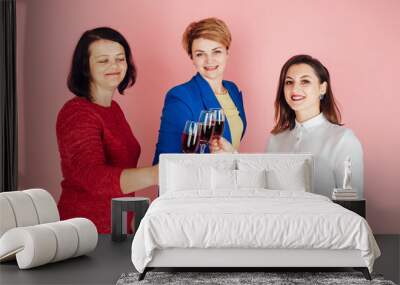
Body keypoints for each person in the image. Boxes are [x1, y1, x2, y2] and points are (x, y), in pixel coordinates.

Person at [211, 55, 363, 198]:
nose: (295, 89)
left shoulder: (343, 140)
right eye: (289, 82)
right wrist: (232, 155)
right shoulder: (275, 139)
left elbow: (352, 206)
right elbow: (263, 188)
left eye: (305, 81)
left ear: (322, 88)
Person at [56, 27, 158, 233]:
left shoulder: (114, 109)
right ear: (85, 67)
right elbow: (92, 177)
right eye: (103, 60)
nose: (114, 66)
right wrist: (157, 174)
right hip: (84, 231)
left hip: (117, 227)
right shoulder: (76, 112)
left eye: (120, 59)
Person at [152, 17, 247, 164]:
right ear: (192, 58)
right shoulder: (180, 97)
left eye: (216, 52)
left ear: (227, 53)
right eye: (200, 54)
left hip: (230, 182)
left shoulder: (232, 90)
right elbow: (164, 164)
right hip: (200, 184)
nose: (209, 60)